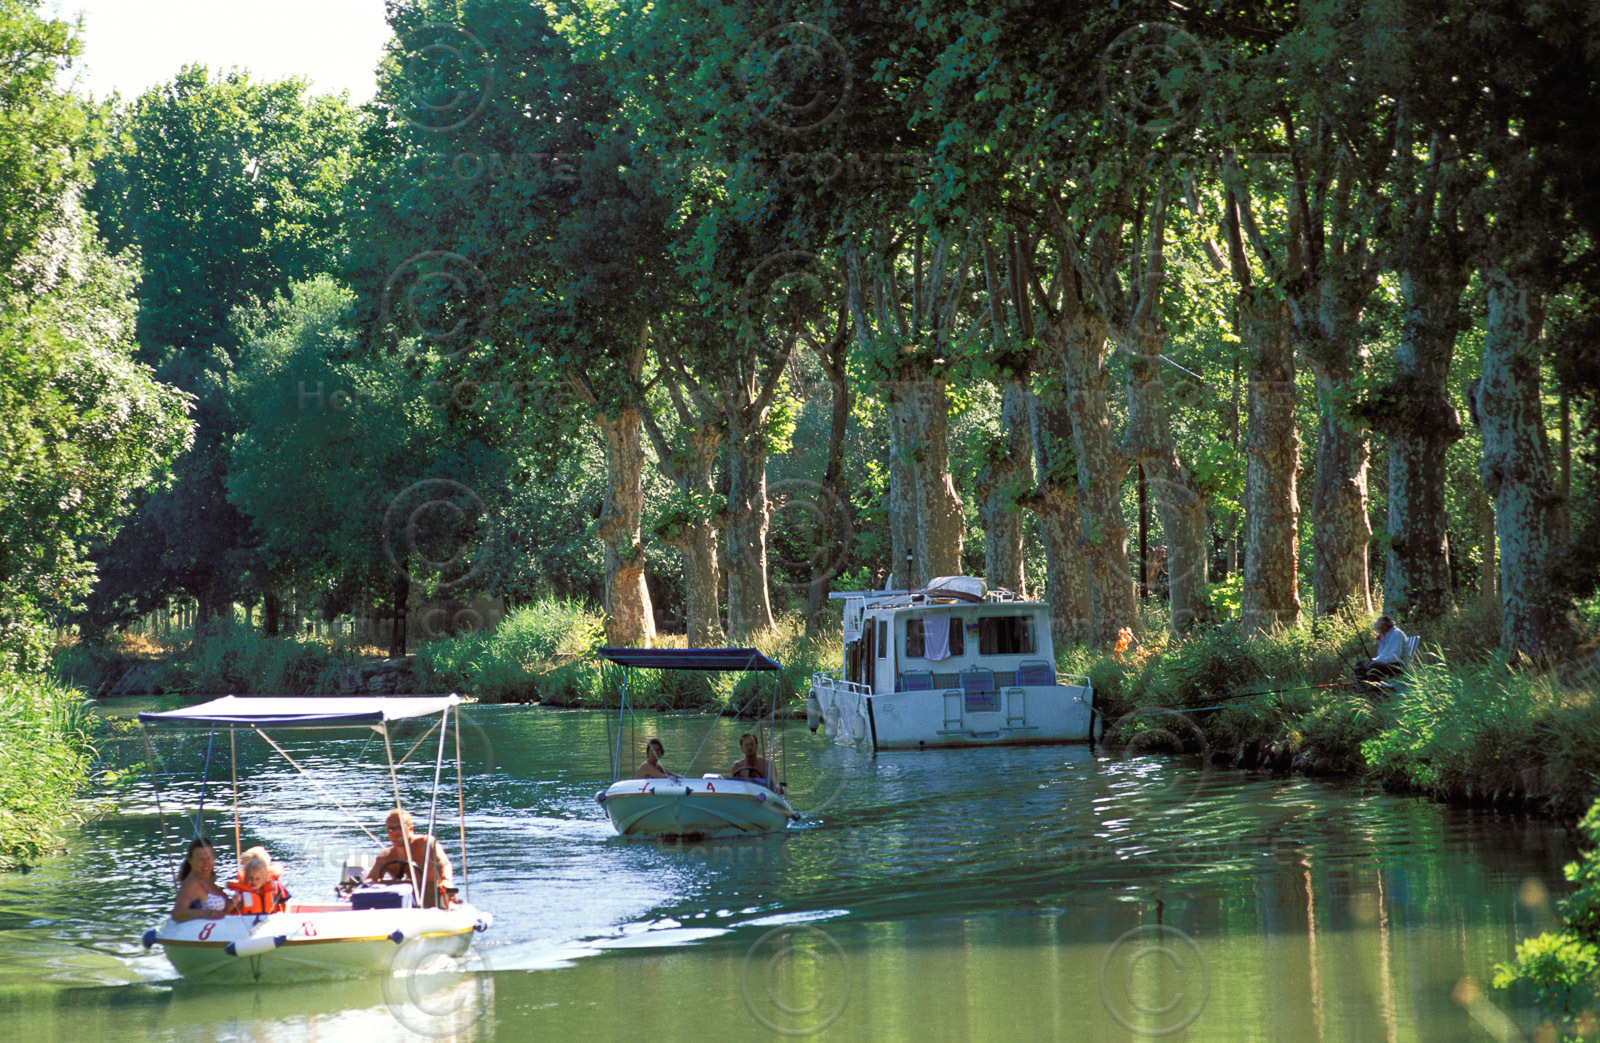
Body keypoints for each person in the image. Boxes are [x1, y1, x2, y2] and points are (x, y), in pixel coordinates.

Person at [367, 808, 455, 908]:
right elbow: (371, 878)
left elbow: (445, 864)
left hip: (434, 901)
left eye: (399, 828)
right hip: (401, 905)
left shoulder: (426, 843)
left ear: (410, 829)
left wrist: (446, 880)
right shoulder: (385, 856)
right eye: (391, 829)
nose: (395, 832)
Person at [171, 836, 236, 922]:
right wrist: (206, 913)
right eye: (201, 859)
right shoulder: (192, 884)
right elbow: (177, 913)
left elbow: (223, 911)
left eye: (209, 858)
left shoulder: (206, 880)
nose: (206, 864)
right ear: (190, 860)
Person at [226, 845, 290, 915]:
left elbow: (285, 901)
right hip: (248, 921)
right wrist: (233, 902)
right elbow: (230, 909)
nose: (253, 880)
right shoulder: (242, 889)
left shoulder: (275, 885)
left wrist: (285, 916)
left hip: (270, 921)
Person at [1355, 615, 1409, 683]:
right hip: (1390, 663)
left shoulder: (1396, 634)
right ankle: (1362, 690)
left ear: (1385, 627)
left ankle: (1374, 690)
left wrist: (1373, 661)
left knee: (1374, 666)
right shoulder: (1385, 635)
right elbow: (1382, 655)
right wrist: (1373, 660)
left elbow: (1395, 657)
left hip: (1398, 666)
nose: (1377, 628)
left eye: (1379, 626)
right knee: (1359, 664)